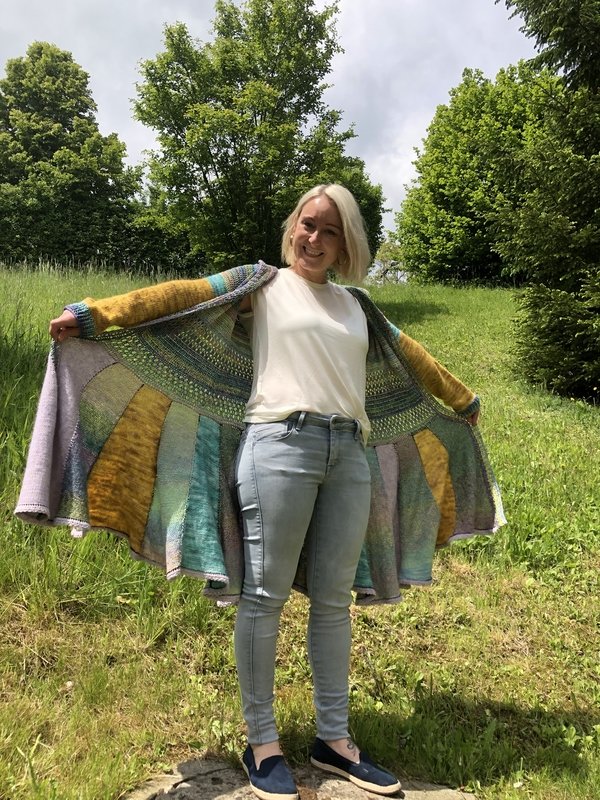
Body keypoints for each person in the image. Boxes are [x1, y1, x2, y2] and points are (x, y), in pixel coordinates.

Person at [22, 184, 502, 800]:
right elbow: (182, 295)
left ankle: (334, 741)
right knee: (266, 596)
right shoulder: (262, 284)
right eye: (308, 224)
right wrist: (95, 315)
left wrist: (462, 397)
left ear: (346, 244)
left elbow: (412, 356)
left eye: (330, 231)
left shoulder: (357, 305)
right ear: (292, 227)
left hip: (350, 455)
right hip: (279, 446)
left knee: (332, 602)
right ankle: (263, 744)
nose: (314, 239)